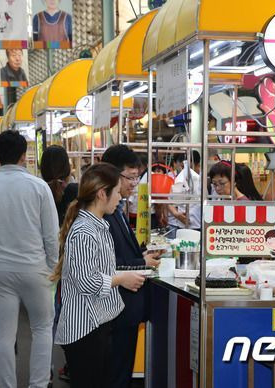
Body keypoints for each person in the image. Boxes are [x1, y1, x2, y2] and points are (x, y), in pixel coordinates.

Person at [0, 130, 59, 388]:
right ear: (24, 155)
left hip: (0, 271)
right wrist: (54, 267)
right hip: (36, 269)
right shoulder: (39, 187)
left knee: (3, 335)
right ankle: (38, 385)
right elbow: (51, 236)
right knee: (42, 329)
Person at [53, 163, 145, 388]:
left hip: (98, 322)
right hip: (85, 328)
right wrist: (122, 279)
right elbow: (87, 281)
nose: (119, 198)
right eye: (116, 192)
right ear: (102, 194)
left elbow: (100, 271)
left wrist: (124, 275)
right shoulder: (85, 230)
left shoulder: (99, 226)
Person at [101, 144, 163, 388]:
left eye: (138, 177)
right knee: (115, 373)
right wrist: (142, 262)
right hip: (116, 309)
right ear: (112, 175)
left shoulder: (117, 208)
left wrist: (143, 254)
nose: (135, 183)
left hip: (124, 310)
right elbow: (107, 263)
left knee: (121, 371)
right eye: (131, 177)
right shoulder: (103, 213)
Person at [40, 145, 78, 381]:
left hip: (46, 264)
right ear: (68, 167)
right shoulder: (75, 190)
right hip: (74, 262)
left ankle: (46, 372)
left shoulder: (39, 190)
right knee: (72, 315)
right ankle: (73, 365)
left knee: (46, 323)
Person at [167, 151, 202, 237]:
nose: (186, 171)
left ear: (198, 166)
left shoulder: (204, 181)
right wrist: (176, 214)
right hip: (181, 226)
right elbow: (169, 201)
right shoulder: (180, 180)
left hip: (199, 226)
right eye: (183, 167)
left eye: (189, 167)